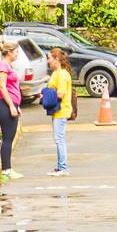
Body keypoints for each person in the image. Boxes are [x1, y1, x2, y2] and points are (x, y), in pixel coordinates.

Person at [0, 42, 22, 181]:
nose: (17, 54)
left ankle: (8, 169)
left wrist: (16, 105)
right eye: (16, 52)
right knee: (7, 138)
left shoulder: (8, 66)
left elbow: (13, 88)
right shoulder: (3, 66)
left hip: (11, 104)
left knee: (9, 138)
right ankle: (6, 170)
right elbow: (2, 88)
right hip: (4, 104)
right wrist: (11, 105)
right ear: (9, 52)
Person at [46, 48, 73, 176]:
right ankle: (60, 166)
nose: (48, 61)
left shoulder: (62, 75)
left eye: (49, 58)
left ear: (56, 59)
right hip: (56, 111)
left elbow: (61, 94)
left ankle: (63, 167)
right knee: (58, 138)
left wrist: (46, 95)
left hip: (61, 110)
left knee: (59, 139)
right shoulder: (57, 73)